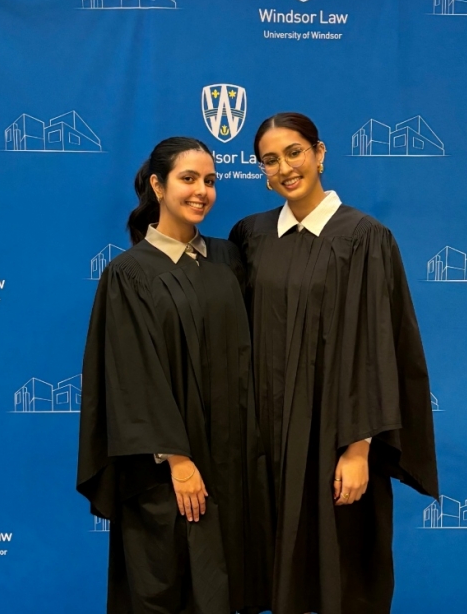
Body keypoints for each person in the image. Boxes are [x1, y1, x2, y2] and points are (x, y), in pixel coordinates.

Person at [228, 114, 439, 614]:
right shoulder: (250, 236)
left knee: (338, 570)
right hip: (266, 441)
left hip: (334, 437)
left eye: (294, 152)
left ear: (319, 153)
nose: (285, 168)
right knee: (275, 566)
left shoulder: (365, 237)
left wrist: (359, 448)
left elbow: (379, 347)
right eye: (270, 160)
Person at [77, 137, 272, 614]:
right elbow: (130, 373)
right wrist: (179, 460)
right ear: (157, 186)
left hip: (232, 461)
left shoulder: (228, 259)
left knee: (229, 580)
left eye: (209, 181)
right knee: (170, 582)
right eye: (188, 179)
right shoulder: (129, 273)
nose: (202, 191)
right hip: (168, 470)